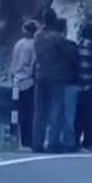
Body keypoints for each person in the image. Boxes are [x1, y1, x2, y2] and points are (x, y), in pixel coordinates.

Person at [34, 14, 79, 152]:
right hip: (57, 78)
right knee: (56, 110)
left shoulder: (38, 37)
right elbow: (70, 56)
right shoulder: (58, 39)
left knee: (40, 111)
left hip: (40, 76)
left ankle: (37, 142)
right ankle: (53, 142)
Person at [10, 21, 38, 149]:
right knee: (28, 113)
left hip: (16, 81)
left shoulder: (18, 44)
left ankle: (16, 138)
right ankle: (27, 140)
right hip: (28, 82)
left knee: (17, 112)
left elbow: (14, 62)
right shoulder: (34, 45)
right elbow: (34, 63)